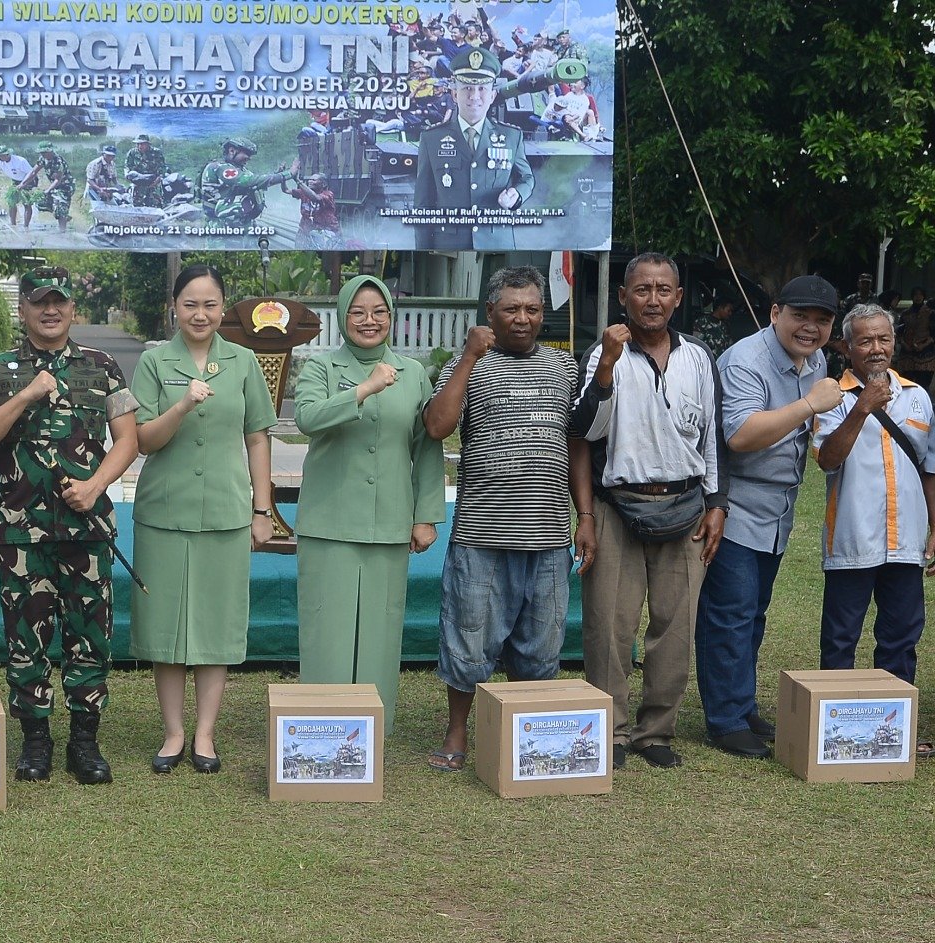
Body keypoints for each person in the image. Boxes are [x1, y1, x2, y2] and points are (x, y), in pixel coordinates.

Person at [0, 266, 138, 784]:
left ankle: (85, 741)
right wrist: (25, 395)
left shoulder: (101, 366)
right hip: (21, 532)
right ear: (23, 309)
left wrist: (95, 485)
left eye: (59, 301)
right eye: (40, 302)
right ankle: (35, 741)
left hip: (87, 530)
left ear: (73, 310)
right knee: (26, 640)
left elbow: (128, 440)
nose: (51, 310)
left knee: (90, 637)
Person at [569, 254, 727, 770]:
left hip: (686, 506)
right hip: (618, 506)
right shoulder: (603, 353)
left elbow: (712, 437)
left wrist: (716, 502)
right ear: (623, 296)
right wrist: (607, 368)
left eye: (663, 290)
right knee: (609, 626)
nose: (653, 300)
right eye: (642, 290)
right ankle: (609, 730)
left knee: (675, 626)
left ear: (678, 298)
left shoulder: (698, 357)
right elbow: (585, 430)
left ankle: (655, 731)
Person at [421, 265, 580, 771]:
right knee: (468, 641)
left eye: (532, 309)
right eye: (511, 309)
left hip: (549, 535)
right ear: (490, 312)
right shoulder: (467, 364)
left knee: (542, 646)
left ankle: (526, 740)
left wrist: (586, 515)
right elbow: (436, 426)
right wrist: (470, 356)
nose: (522, 318)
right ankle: (457, 734)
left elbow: (580, 439)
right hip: (482, 533)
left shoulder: (564, 367)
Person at [130, 265, 276, 774]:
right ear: (174, 307)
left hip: (225, 511)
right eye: (190, 304)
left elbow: (258, 436)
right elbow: (143, 440)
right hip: (164, 512)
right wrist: (182, 405)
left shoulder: (243, 361)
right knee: (166, 626)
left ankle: (206, 734)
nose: (200, 314)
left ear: (223, 308)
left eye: (210, 304)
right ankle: (173, 732)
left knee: (216, 625)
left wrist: (262, 509)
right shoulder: (154, 362)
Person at [694, 275, 842, 758]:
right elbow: (739, 435)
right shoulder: (746, 360)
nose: (810, 327)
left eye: (822, 320)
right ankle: (726, 721)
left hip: (778, 510)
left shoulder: (815, 360)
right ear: (776, 313)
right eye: (800, 316)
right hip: (734, 505)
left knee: (753, 613)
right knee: (730, 614)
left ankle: (742, 705)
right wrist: (809, 404)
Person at [295, 275, 446, 735]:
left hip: (390, 523)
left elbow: (426, 447)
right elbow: (307, 418)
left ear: (391, 317)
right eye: (358, 312)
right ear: (342, 317)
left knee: (381, 629)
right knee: (327, 629)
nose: (369, 320)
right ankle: (320, 729)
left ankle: (373, 732)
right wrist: (363, 389)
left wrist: (425, 515)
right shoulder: (321, 367)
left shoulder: (413, 373)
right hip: (329, 522)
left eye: (379, 312)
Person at [812, 302, 935, 759]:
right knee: (840, 638)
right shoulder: (833, 396)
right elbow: (827, 459)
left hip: (906, 541)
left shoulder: (917, 396)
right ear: (848, 347)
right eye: (865, 340)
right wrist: (861, 409)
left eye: (883, 338)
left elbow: (929, 469)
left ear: (894, 341)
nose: (876, 348)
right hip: (852, 540)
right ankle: (832, 736)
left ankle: (894, 734)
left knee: (901, 637)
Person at [414, 47, 534, 251]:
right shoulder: (431, 139)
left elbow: (527, 178)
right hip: (448, 245)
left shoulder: (511, 136)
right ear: (454, 94)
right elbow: (423, 205)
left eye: (482, 89)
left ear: (492, 95)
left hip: (498, 245)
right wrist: (423, 251)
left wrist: (517, 193)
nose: (474, 96)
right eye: (467, 88)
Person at [197, 136, 288, 225]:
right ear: (232, 151)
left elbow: (258, 182)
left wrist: (277, 174)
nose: (249, 158)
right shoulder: (218, 167)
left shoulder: (241, 169)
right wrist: (288, 174)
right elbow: (249, 181)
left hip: (241, 222)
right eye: (247, 153)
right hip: (220, 224)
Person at [21, 142, 75, 234]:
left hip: (65, 187)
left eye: (44, 152)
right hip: (54, 186)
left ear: (50, 151)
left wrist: (48, 190)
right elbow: (33, 172)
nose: (42, 154)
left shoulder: (58, 161)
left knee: (60, 208)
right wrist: (22, 184)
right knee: (41, 203)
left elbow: (58, 180)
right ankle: (63, 215)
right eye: (41, 153)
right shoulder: (42, 159)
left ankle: (62, 234)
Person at [0, 145, 35, 229]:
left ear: (7, 154)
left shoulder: (20, 161)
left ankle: (26, 226)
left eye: (1, 155)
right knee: (11, 202)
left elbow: (32, 173)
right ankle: (13, 224)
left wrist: (23, 184)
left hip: (28, 180)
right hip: (15, 181)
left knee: (26, 203)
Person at [896, 287, 935, 389]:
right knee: (906, 386)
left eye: (920, 295)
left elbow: (933, 334)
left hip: (925, 355)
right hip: (907, 355)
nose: (918, 297)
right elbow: (899, 332)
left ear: (924, 297)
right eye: (916, 295)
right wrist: (904, 344)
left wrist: (924, 345)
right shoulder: (905, 313)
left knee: (923, 387)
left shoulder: (930, 313)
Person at [288, 172, 340, 243]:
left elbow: (316, 198)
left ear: (323, 184)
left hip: (326, 231)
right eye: (309, 179)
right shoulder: (303, 192)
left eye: (313, 180)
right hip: (306, 230)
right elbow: (286, 190)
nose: (310, 181)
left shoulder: (328, 194)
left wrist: (298, 181)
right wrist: (282, 177)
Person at [125, 134, 167, 208]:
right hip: (138, 181)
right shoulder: (132, 153)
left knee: (155, 203)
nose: (140, 146)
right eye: (138, 144)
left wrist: (159, 178)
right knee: (137, 204)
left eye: (142, 144)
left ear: (147, 144)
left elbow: (162, 167)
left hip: (153, 181)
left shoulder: (156, 152)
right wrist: (128, 175)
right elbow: (128, 166)